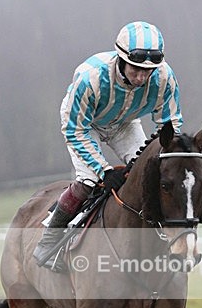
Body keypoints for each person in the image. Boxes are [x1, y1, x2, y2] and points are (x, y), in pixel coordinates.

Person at [33, 20, 183, 268]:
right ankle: (49, 242)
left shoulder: (165, 77)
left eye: (149, 71)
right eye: (136, 69)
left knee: (151, 174)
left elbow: (170, 124)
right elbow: (75, 130)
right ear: (122, 59)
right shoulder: (90, 78)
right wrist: (104, 169)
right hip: (84, 124)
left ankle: (160, 242)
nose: (142, 77)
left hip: (125, 122)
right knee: (89, 181)